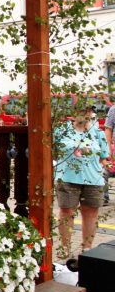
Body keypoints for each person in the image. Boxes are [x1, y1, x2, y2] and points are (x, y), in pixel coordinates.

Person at [54, 106, 108, 259]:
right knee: (67, 212)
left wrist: (106, 164)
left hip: (93, 178)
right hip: (67, 177)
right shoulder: (62, 130)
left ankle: (87, 247)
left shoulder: (98, 132)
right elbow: (51, 149)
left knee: (90, 213)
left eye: (88, 112)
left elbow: (104, 157)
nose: (84, 114)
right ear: (73, 112)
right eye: (81, 111)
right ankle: (65, 247)